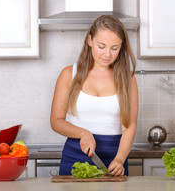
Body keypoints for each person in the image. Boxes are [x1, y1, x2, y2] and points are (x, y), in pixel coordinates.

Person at [50, 15, 138, 176]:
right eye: (101, 46)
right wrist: (83, 133)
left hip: (115, 158)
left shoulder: (128, 79)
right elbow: (56, 121)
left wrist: (119, 159)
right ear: (90, 40)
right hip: (75, 155)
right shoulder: (69, 74)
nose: (107, 54)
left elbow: (130, 126)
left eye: (114, 48)